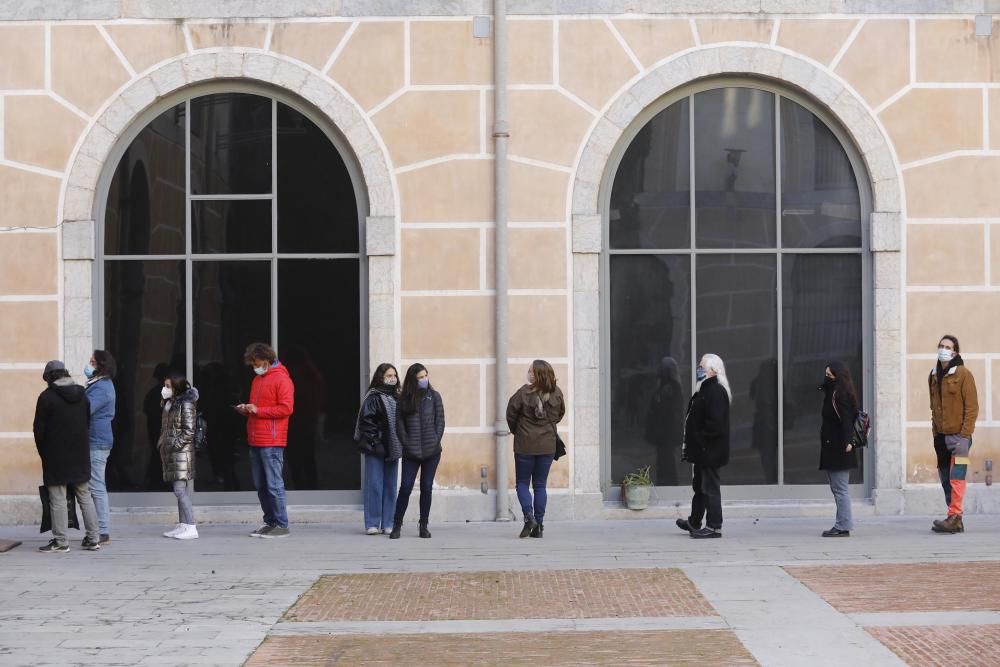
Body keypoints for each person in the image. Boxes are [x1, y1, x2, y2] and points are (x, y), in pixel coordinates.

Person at [33, 360, 101, 553]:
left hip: (55, 455)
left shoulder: (46, 398)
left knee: (58, 498)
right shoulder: (83, 395)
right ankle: (93, 538)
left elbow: (39, 430)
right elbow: (87, 422)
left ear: (48, 377)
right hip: (80, 453)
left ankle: (61, 541)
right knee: (84, 495)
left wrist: (44, 453)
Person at [236, 343, 295, 539]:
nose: (254, 366)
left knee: (273, 484)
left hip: (272, 440)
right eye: (252, 363)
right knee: (261, 485)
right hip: (256, 438)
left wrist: (258, 411)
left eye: (256, 362)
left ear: (266, 359)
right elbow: (259, 407)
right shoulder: (257, 380)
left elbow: (286, 408)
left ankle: (281, 524)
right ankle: (270, 522)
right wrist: (247, 409)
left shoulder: (282, 379)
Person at [506, 359, 566, 539]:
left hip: (525, 445)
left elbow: (510, 415)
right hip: (547, 445)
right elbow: (560, 414)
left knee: (522, 484)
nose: (528, 372)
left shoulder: (523, 393)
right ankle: (539, 526)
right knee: (540, 485)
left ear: (537, 374)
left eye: (531, 370)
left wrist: (519, 431)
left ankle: (528, 517)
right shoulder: (557, 393)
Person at [676, 354, 731, 539]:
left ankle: (714, 526)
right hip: (702, 451)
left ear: (713, 370)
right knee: (699, 487)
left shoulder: (715, 391)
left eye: (702, 367)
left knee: (710, 488)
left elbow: (715, 425)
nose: (699, 370)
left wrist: (699, 438)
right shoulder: (705, 390)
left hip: (710, 451)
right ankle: (695, 521)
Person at [929, 335, 978, 534]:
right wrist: (934, 433)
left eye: (948, 347)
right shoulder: (933, 375)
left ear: (955, 352)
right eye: (941, 345)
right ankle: (954, 518)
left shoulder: (964, 374)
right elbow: (934, 408)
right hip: (940, 438)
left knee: (957, 478)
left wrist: (965, 436)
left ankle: (955, 516)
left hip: (960, 438)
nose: (943, 349)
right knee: (944, 478)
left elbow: (972, 408)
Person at [390, 364, 445, 539]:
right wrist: (407, 443)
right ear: (414, 380)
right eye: (421, 377)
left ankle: (424, 525)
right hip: (411, 453)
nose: (424, 379)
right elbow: (399, 426)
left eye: (426, 375)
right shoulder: (403, 400)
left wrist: (435, 440)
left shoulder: (434, 397)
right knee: (405, 487)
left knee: (426, 487)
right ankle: (397, 524)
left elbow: (440, 422)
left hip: (432, 452)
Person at [354, 363, 402, 535]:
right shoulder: (373, 397)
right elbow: (367, 423)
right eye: (389, 375)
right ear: (381, 377)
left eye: (394, 375)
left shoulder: (398, 397)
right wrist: (376, 443)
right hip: (376, 447)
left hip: (393, 446)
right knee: (374, 484)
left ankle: (388, 522)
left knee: (390, 485)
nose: (392, 378)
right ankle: (372, 523)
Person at [819, 361, 859, 537]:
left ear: (838, 377)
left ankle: (843, 525)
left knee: (840, 489)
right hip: (833, 447)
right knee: (838, 488)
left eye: (829, 376)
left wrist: (848, 442)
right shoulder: (834, 392)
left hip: (840, 448)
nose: (826, 378)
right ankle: (842, 523)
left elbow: (847, 420)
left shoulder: (839, 395)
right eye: (826, 374)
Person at [158, 372, 199, 540]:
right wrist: (163, 442)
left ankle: (191, 526)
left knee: (180, 491)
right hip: (173, 452)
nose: (165, 389)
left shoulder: (186, 404)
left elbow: (189, 431)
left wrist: (174, 445)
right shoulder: (170, 403)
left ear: (177, 387)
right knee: (179, 491)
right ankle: (183, 525)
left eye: (168, 386)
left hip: (181, 453)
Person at [85, 350, 116, 545]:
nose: (89, 365)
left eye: (92, 362)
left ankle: (103, 530)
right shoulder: (97, 385)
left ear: (101, 365)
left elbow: (85, 409)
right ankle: (99, 528)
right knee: (95, 485)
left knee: (96, 486)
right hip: (95, 439)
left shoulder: (102, 388)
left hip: (97, 441)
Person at [645, 356, 684, 486]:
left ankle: (668, 484)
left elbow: (667, 410)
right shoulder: (665, 386)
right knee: (663, 458)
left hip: (667, 431)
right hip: (664, 432)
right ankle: (666, 482)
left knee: (666, 459)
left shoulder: (670, 387)